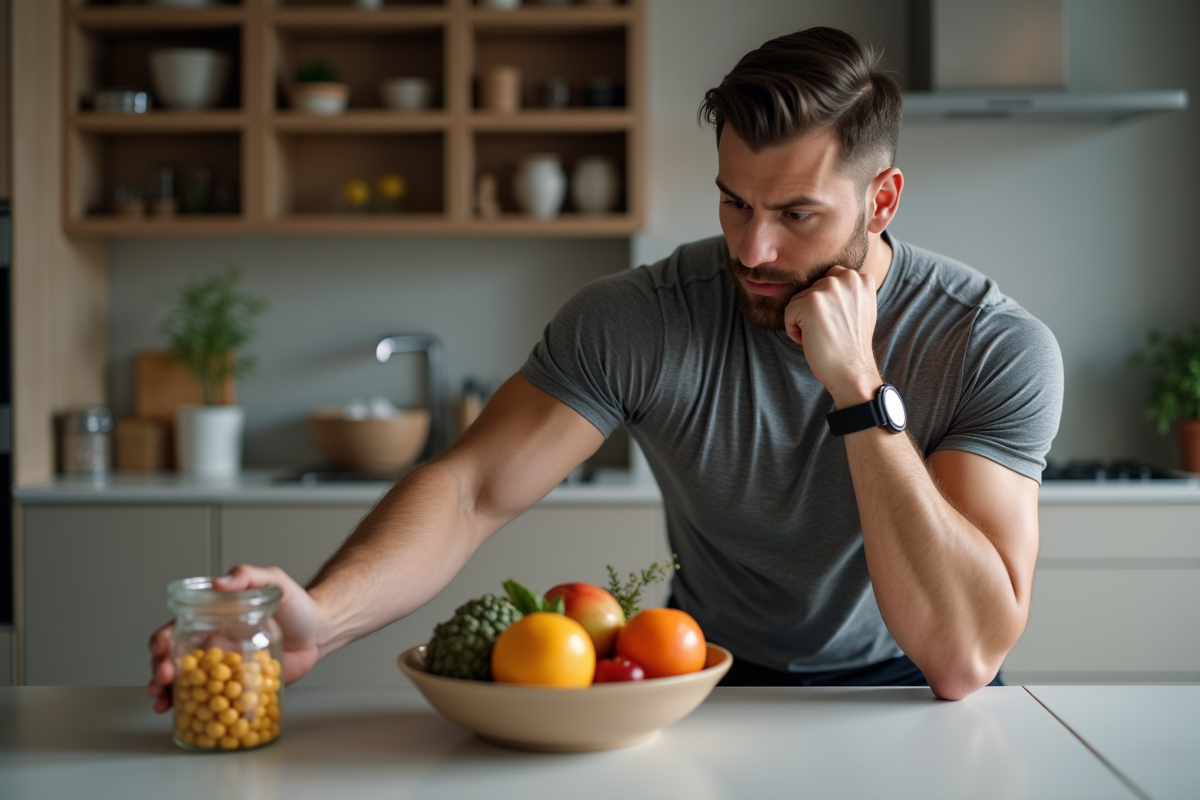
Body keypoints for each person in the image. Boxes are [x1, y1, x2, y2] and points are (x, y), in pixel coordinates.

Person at [148, 27, 1062, 705]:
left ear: (883, 197)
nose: (752, 248)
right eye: (733, 202)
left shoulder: (990, 345)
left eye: (796, 214)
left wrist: (859, 392)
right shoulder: (640, 319)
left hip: (918, 698)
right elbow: (471, 492)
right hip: (701, 680)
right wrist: (323, 616)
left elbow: (962, 656)